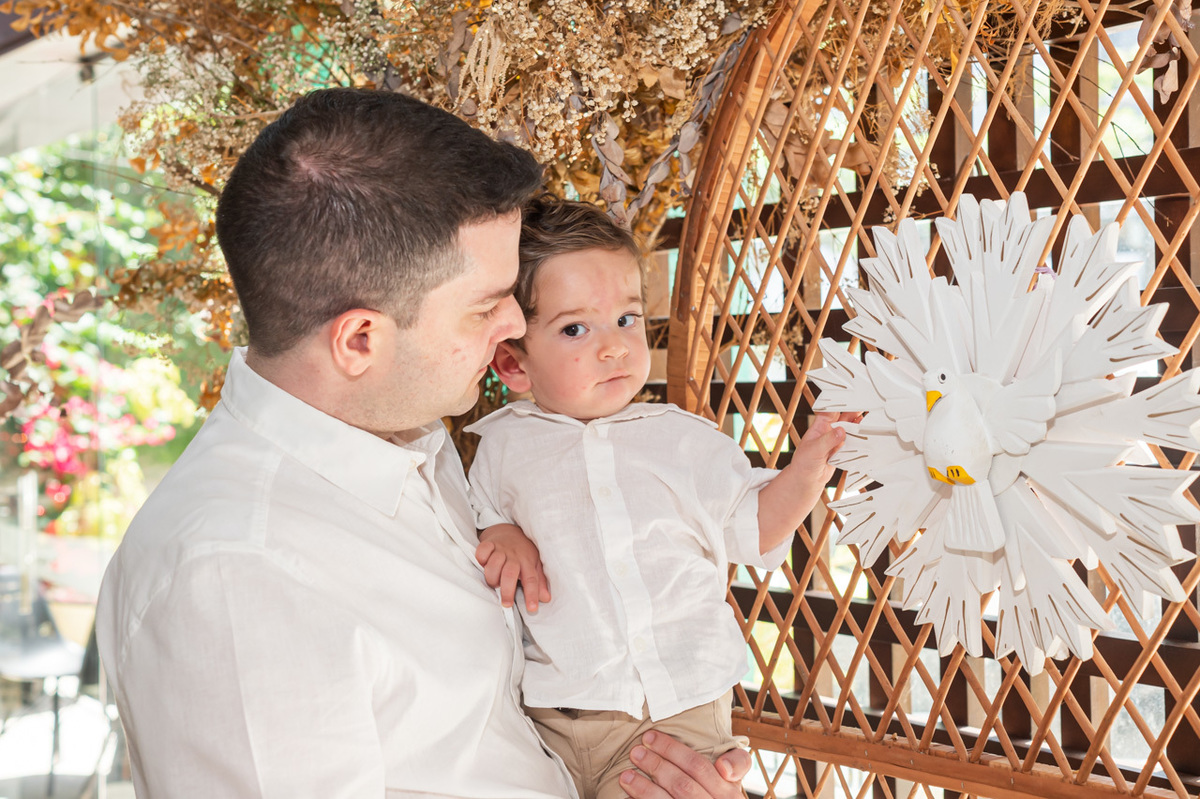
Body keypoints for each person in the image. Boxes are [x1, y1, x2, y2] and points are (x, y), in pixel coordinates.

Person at [95, 88, 751, 797]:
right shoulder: (238, 578)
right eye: (485, 304)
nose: (512, 324)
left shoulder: (417, 443)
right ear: (361, 340)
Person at [465, 196, 851, 799]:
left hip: (677, 719)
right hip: (554, 722)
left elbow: (755, 527)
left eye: (628, 319)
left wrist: (806, 470)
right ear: (513, 363)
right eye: (575, 328)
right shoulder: (500, 448)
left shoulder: (684, 442)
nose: (616, 346)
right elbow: (478, 517)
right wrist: (500, 533)